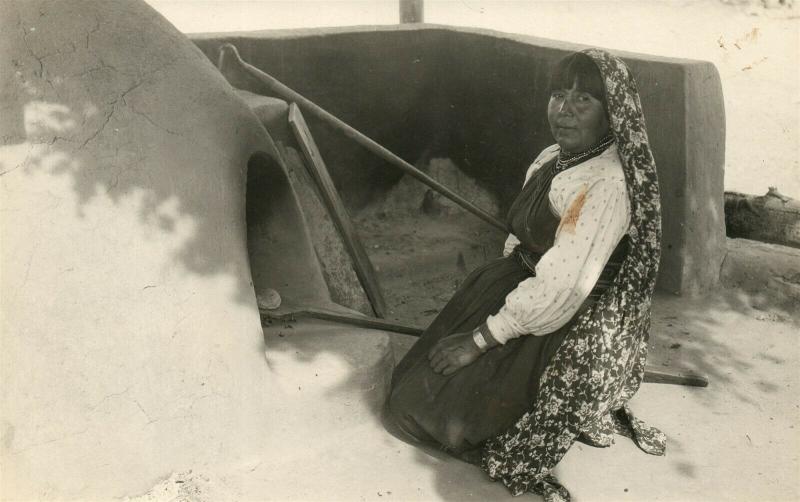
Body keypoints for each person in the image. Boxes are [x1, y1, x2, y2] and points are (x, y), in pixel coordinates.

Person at [386, 49, 666, 501]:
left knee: (429, 415)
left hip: (570, 319)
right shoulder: (553, 157)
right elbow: (519, 237)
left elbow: (565, 288)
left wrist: (481, 339)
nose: (565, 110)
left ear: (612, 113)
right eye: (558, 95)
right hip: (531, 290)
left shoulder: (607, 184)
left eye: (584, 101)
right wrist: (496, 291)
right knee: (411, 392)